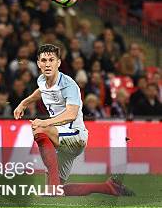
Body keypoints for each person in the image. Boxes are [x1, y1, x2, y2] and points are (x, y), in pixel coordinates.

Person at [13, 44, 133, 196]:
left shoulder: (68, 85)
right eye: (43, 60)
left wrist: (45, 122)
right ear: (38, 63)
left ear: (59, 63)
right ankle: (108, 187)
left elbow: (71, 113)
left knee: (39, 128)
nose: (47, 64)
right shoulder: (42, 80)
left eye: (51, 60)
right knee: (59, 190)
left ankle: (53, 187)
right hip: (60, 137)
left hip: (75, 136)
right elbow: (41, 91)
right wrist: (24, 103)